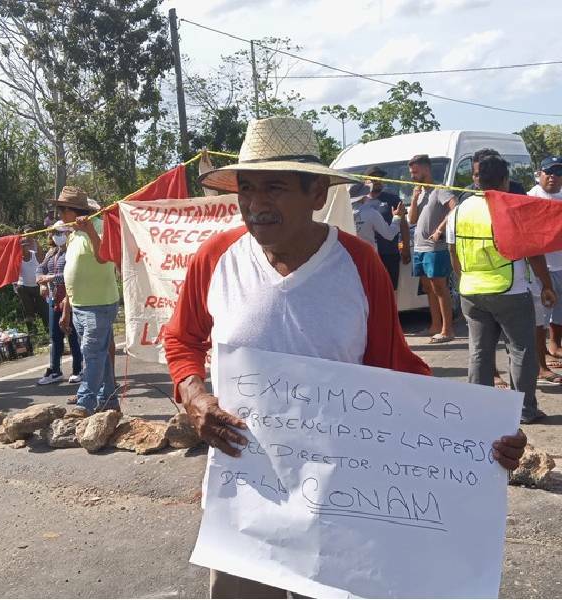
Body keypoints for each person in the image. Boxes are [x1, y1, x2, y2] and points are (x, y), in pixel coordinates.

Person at [162, 116, 528, 599]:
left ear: (317, 194)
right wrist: (193, 395)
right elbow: (182, 340)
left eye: (275, 188)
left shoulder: (357, 264)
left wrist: (477, 433)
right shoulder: (216, 256)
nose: (256, 204)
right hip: (245, 504)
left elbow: (397, 371)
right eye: (246, 189)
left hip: (342, 502)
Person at [448, 155, 555, 424]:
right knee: (521, 351)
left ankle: (479, 411)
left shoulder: (459, 210)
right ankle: (524, 410)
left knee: (480, 351)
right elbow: (533, 252)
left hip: (471, 290)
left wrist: (464, 279)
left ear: (476, 179)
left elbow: (453, 250)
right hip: (510, 291)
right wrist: (546, 284)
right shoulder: (511, 209)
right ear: (505, 180)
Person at [55, 187, 119, 414]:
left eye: (63, 209)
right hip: (80, 305)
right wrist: (67, 309)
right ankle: (110, 399)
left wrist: (90, 229)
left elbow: (104, 258)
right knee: (98, 354)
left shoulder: (100, 227)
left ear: (76, 211)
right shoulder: (73, 236)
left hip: (99, 304)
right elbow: (74, 274)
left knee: (92, 353)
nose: (60, 214)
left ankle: (85, 402)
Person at [407, 154, 457, 343]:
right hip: (420, 248)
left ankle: (447, 329)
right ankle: (435, 325)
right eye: (411, 172)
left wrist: (440, 229)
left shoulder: (440, 190)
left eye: (415, 172)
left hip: (436, 248)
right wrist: (413, 199)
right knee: (428, 288)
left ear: (426, 170)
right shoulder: (420, 194)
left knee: (439, 287)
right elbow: (412, 220)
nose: (412, 176)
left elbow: (455, 208)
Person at [525, 156, 562, 379]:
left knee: (559, 311)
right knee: (539, 317)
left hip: (561, 265)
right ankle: (540, 365)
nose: (553, 177)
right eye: (548, 171)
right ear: (539, 173)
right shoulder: (530, 197)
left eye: (558, 173)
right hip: (539, 268)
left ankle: (554, 346)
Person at [36, 222, 82, 386]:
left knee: (72, 335)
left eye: (60, 232)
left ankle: (78, 369)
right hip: (54, 300)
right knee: (55, 336)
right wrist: (41, 283)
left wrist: (51, 278)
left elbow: (73, 273)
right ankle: (55, 370)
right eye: (55, 232)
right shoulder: (52, 252)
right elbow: (40, 269)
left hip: (70, 297)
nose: (57, 236)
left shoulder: (73, 250)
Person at [363, 166, 410, 288]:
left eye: (380, 178)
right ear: (365, 181)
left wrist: (406, 247)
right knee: (371, 289)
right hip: (368, 254)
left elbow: (403, 223)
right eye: (373, 179)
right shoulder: (360, 201)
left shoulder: (392, 199)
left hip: (389, 252)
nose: (378, 181)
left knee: (390, 288)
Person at [350, 183, 409, 265]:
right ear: (363, 195)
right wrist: (397, 217)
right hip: (369, 259)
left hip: (351, 260)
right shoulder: (371, 213)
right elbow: (389, 235)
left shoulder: (344, 214)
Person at [14, 234, 49, 350]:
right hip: (24, 287)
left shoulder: (35, 255)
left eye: (25, 245)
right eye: (21, 246)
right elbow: (13, 274)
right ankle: (33, 335)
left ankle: (49, 333)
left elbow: (43, 262)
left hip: (37, 286)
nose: (23, 248)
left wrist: (34, 240)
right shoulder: (17, 259)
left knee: (43, 309)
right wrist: (16, 286)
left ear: (28, 246)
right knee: (28, 311)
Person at [457, 148, 526, 204]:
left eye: (488, 173)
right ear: (473, 177)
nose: (483, 178)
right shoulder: (467, 196)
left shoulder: (517, 190)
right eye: (478, 175)